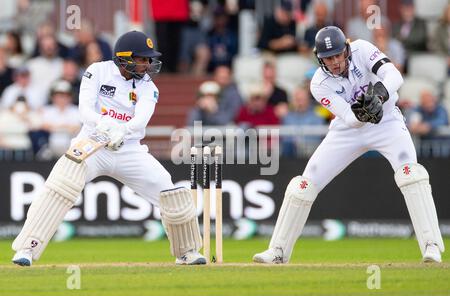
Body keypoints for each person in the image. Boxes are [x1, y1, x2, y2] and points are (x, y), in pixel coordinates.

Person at [11, 31, 207, 267]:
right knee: (60, 186)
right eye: (142, 59)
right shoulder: (98, 71)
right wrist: (102, 124)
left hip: (129, 149)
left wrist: (121, 131)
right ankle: (27, 249)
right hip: (93, 142)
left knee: (169, 191)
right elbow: (84, 109)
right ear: (124, 58)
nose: (146, 64)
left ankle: (186, 252)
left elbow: (141, 120)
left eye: (148, 59)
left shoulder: (148, 87)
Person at [253, 26, 445, 264]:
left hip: (387, 122)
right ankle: (278, 251)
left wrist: (379, 96)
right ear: (319, 58)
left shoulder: (362, 49)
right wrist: (364, 112)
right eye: (327, 58)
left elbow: (395, 76)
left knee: (412, 175)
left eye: (337, 55)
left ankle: (431, 245)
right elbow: (350, 118)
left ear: (346, 48)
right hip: (348, 130)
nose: (334, 62)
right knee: (303, 185)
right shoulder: (318, 83)